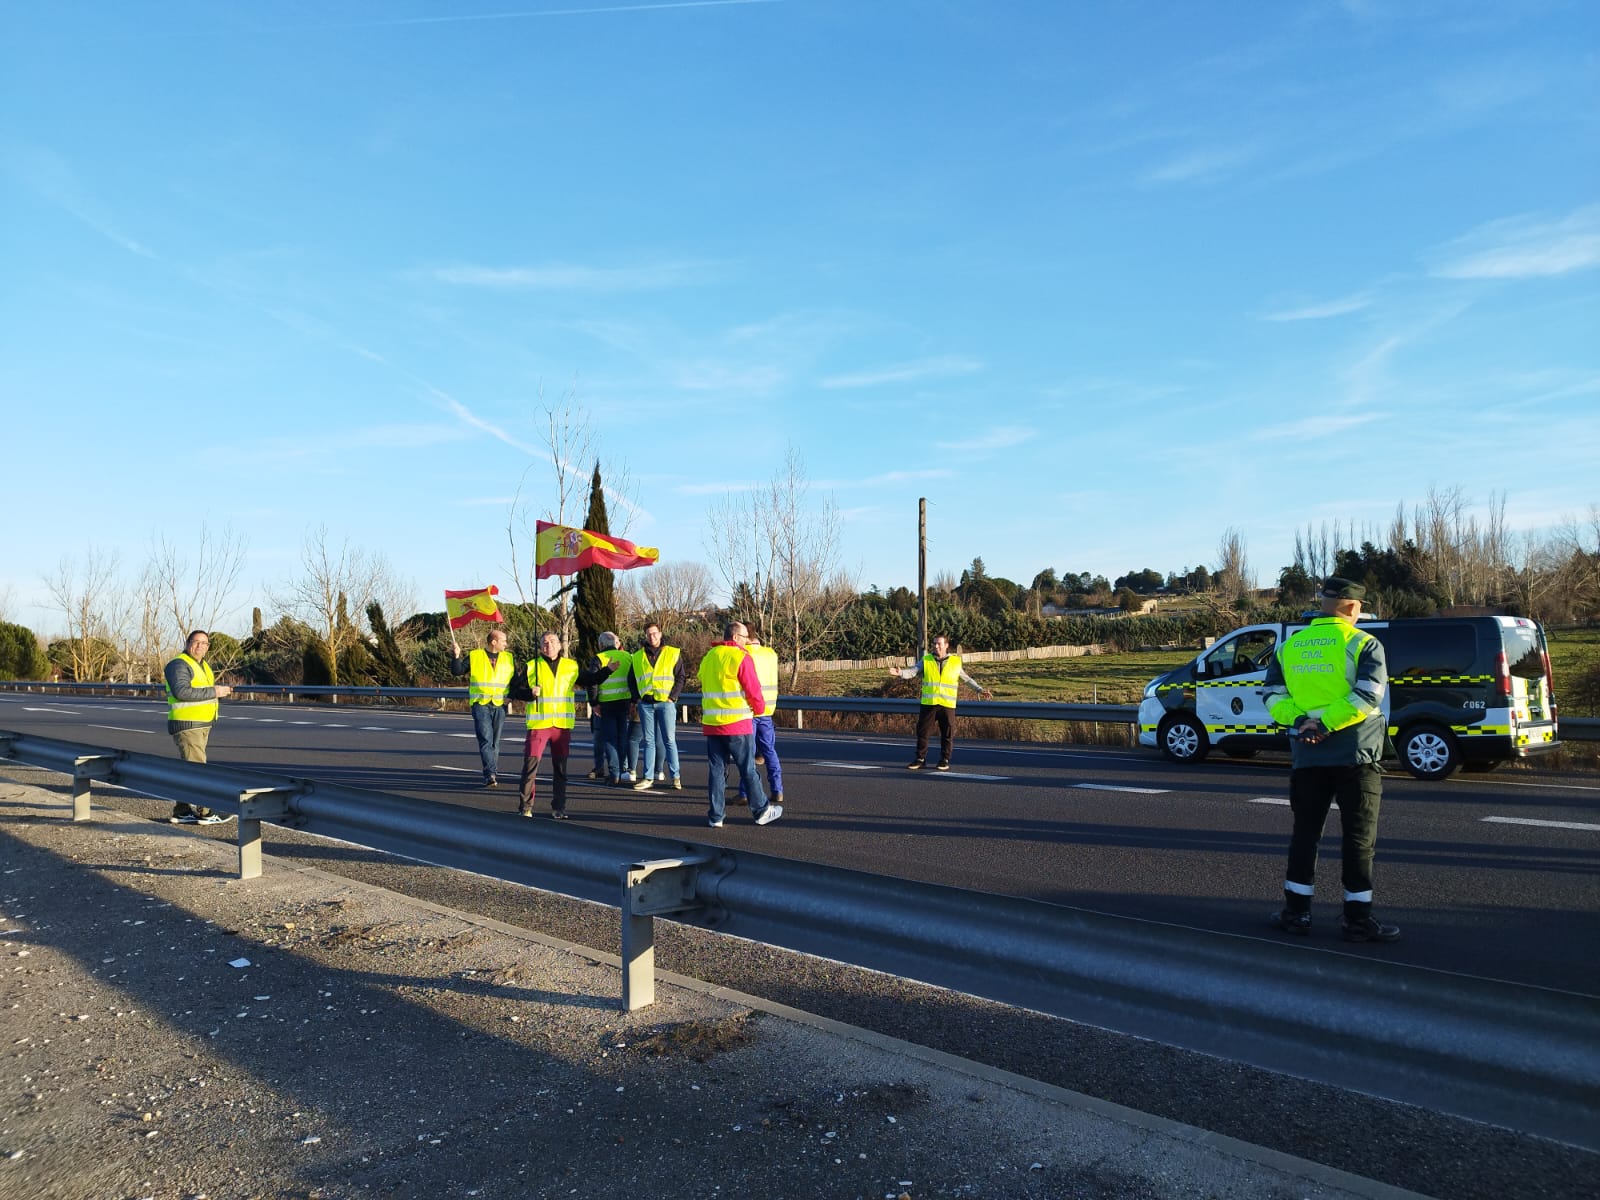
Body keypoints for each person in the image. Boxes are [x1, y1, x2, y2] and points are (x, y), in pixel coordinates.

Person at [1261, 577, 1399, 943]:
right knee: (1358, 839)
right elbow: (1367, 696)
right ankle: (1356, 920)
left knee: (1305, 835)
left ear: (1323, 605)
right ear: (1353, 607)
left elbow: (1272, 695)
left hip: (1307, 754)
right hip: (1357, 753)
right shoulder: (1364, 643)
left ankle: (1296, 914)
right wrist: (1326, 723)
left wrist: (1302, 721)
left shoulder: (1290, 646)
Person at [510, 630, 616, 818]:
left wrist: (607, 671)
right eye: (544, 642)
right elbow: (515, 690)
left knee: (560, 769)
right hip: (538, 724)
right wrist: (529, 694)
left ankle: (559, 808)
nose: (548, 645)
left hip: (561, 726)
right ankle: (525, 807)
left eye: (552, 641)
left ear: (560, 645)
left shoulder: (571, 666)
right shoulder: (531, 666)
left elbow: (590, 680)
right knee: (529, 768)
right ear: (540, 646)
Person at [698, 619, 783, 829]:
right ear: (735, 637)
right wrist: (760, 709)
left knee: (717, 771)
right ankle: (762, 810)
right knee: (748, 769)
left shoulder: (709, 657)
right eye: (745, 637)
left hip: (712, 723)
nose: (747, 641)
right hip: (736, 723)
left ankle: (716, 816)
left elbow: (703, 680)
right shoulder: (740, 657)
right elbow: (753, 690)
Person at [889, 634, 992, 770]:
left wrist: (979, 690)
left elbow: (966, 679)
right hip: (929, 703)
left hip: (947, 704)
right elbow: (913, 672)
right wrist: (901, 673)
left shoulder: (955, 662)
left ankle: (944, 760)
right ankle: (920, 759)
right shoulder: (926, 660)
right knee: (923, 732)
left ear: (946, 645)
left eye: (939, 644)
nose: (936, 646)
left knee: (947, 733)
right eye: (934, 643)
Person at [164, 630, 234, 825]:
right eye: (196, 642)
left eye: (205, 643)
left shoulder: (202, 665)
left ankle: (182, 810)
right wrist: (215, 691)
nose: (200, 646)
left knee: (189, 769)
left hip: (200, 724)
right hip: (188, 725)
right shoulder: (179, 664)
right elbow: (182, 692)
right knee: (197, 770)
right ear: (187, 643)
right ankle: (206, 812)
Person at [447, 627, 515, 788]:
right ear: (494, 642)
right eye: (503, 641)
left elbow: (515, 680)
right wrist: (456, 655)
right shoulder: (475, 656)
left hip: (500, 705)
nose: (506, 643)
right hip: (481, 704)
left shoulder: (509, 658)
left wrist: (511, 697)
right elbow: (457, 671)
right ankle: (490, 773)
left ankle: (492, 771)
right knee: (486, 740)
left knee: (495, 743)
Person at [630, 622, 684, 791]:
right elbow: (631, 679)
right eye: (648, 634)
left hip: (665, 703)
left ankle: (676, 777)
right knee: (649, 742)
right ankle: (648, 777)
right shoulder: (637, 656)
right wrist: (636, 698)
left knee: (669, 741)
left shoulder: (672, 653)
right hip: (646, 704)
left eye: (654, 633)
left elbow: (681, 677)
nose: (652, 637)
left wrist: (672, 697)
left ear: (660, 634)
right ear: (645, 636)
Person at [737, 630, 782, 807]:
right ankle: (777, 790)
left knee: (748, 754)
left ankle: (744, 793)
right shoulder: (770, 654)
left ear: (746, 638)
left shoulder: (744, 654)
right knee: (770, 751)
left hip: (750, 710)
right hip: (768, 710)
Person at [593, 631, 640, 785]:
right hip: (625, 702)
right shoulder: (628, 656)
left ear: (601, 645)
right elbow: (635, 679)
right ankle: (621, 769)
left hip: (606, 703)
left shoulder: (599, 658)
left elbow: (593, 683)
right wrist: (633, 701)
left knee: (609, 738)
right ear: (616, 643)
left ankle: (614, 773)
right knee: (622, 737)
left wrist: (594, 703)